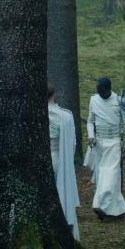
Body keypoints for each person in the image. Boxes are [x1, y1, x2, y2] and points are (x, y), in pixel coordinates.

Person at [83, 77, 125, 221]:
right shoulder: (94, 100)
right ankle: (117, 210)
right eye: (98, 91)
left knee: (110, 174)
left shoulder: (120, 101)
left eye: (103, 91)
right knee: (101, 175)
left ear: (109, 89)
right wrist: (91, 136)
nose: (101, 94)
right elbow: (90, 121)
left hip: (114, 142)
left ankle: (101, 205)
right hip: (98, 143)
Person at [48, 84, 80, 240]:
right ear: (54, 95)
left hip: (44, 159)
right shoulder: (65, 116)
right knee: (61, 193)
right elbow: (73, 143)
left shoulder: (33, 114)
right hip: (59, 158)